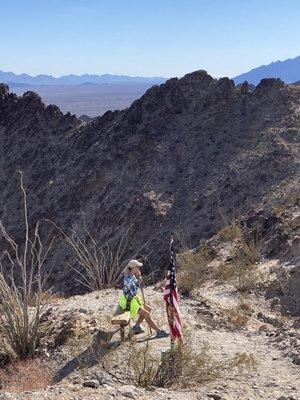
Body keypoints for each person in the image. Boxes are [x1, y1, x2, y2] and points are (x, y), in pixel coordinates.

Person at [119, 259, 169, 338]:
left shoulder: (133, 276)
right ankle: (158, 331)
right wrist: (138, 279)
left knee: (148, 309)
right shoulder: (127, 278)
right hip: (129, 301)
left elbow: (138, 285)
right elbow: (133, 288)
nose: (138, 268)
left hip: (134, 299)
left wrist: (139, 277)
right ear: (133, 268)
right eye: (137, 267)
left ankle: (136, 327)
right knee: (146, 313)